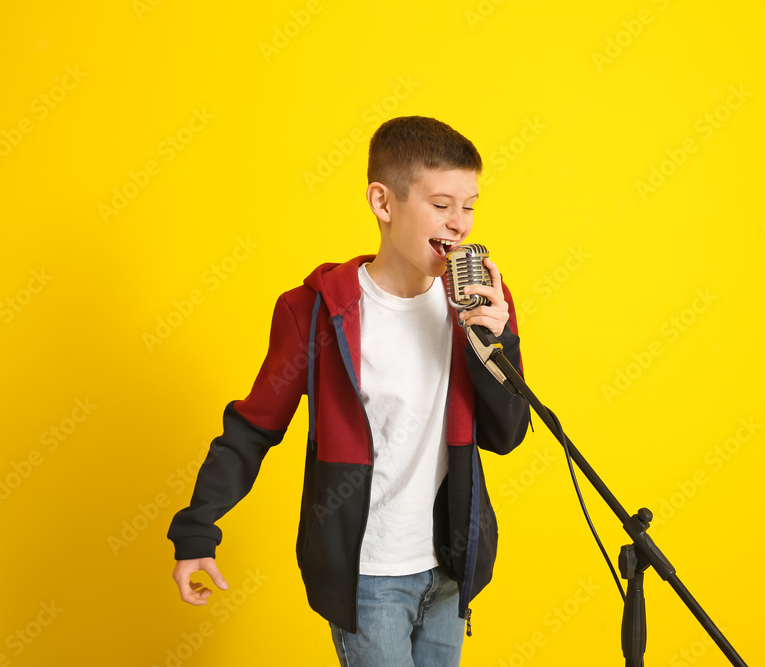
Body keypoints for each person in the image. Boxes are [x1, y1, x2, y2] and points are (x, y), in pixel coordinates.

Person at [167, 115, 531, 666]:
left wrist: (494, 340)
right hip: (370, 578)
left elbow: (507, 435)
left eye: (470, 205)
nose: (459, 223)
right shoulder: (313, 312)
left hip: (451, 570)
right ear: (383, 203)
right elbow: (254, 427)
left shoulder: (480, 301)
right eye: (440, 205)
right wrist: (196, 531)